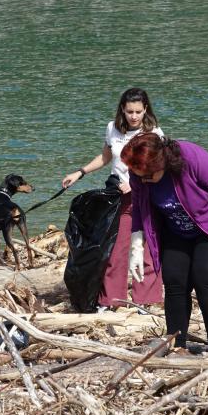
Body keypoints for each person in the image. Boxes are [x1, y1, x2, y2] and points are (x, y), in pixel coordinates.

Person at [121, 132, 208, 353]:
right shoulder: (139, 171)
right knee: (174, 282)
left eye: (147, 176)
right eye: (138, 176)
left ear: (160, 163)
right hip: (175, 231)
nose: (142, 180)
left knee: (205, 282)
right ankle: (177, 344)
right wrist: (136, 248)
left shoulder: (191, 158)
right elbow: (138, 209)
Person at [62, 88, 163, 309]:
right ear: (122, 110)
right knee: (115, 248)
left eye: (138, 111)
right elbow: (106, 157)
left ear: (145, 109)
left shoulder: (155, 133)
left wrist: (136, 182)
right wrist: (80, 172)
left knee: (147, 247)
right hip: (118, 195)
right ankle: (111, 300)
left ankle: (145, 302)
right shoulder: (112, 129)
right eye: (129, 111)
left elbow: (159, 169)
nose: (134, 116)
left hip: (146, 194)